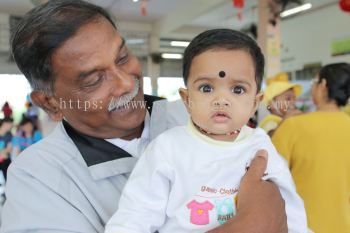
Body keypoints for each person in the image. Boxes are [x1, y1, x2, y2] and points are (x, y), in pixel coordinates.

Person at [0, 1, 287, 233]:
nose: (126, 83)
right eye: (93, 81)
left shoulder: (194, 117)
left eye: (123, 57)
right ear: (50, 103)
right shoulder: (38, 177)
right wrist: (251, 223)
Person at [105, 29, 307, 233]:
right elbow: (136, 215)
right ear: (186, 99)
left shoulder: (261, 147)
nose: (221, 100)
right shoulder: (167, 148)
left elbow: (290, 210)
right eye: (206, 88)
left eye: (238, 90)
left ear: (255, 103)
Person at [272, 63, 350, 233]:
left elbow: (268, 174)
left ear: (323, 86)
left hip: (300, 225)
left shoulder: (293, 125)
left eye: (314, 82)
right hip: (343, 225)